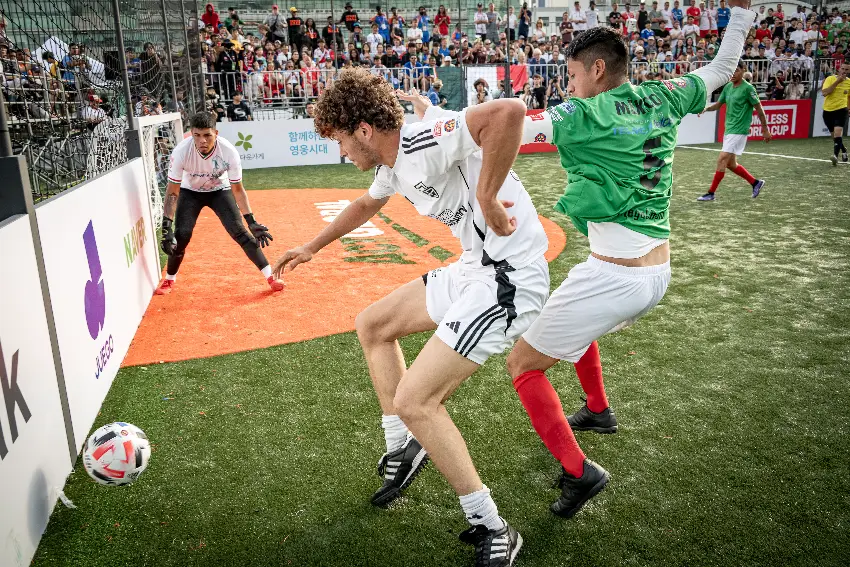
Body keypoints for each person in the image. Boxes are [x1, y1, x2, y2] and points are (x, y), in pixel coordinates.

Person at [273, 68, 549, 567]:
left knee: (415, 400)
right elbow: (364, 205)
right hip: (476, 270)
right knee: (373, 325)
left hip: (511, 277)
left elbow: (507, 113)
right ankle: (404, 449)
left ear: (362, 130)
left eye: (340, 140)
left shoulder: (420, 139)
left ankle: (492, 525)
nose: (340, 152)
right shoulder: (393, 163)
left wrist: (487, 196)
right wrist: (312, 246)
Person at [508, 3, 757, 518]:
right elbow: (718, 68)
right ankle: (598, 410)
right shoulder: (664, 94)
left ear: (597, 70)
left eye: (573, 75)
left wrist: (430, 125)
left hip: (616, 275)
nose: (569, 86)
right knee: (572, 320)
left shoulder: (582, 114)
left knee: (523, 365)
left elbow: (506, 129)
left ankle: (581, 474)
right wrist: (742, 16)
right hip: (657, 271)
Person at [156, 112, 283, 295]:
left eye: (207, 135)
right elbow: (172, 192)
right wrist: (166, 227)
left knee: (240, 231)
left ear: (216, 133)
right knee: (181, 235)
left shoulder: (228, 151)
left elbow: (238, 189)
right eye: (197, 135)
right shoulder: (181, 151)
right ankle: (169, 279)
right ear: (191, 133)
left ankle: (271, 277)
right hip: (190, 192)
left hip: (219, 191)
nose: (202, 141)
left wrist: (251, 221)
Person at [697, 60, 770, 201]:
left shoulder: (748, 88)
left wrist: (765, 129)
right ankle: (756, 183)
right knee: (730, 164)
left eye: (736, 70)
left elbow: (759, 109)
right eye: (731, 70)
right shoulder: (728, 87)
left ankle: (711, 193)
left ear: (743, 70)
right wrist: (706, 109)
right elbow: (718, 105)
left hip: (739, 130)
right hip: (729, 129)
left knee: (722, 159)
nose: (733, 73)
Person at [821, 62, 850, 165]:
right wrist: (837, 81)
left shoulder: (849, 83)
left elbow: (849, 97)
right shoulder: (830, 79)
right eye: (843, 69)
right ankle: (844, 150)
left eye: (846, 70)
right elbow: (824, 93)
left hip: (842, 110)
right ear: (839, 69)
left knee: (838, 133)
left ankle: (835, 156)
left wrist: (849, 108)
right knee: (834, 136)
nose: (844, 71)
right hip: (828, 111)